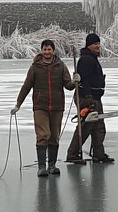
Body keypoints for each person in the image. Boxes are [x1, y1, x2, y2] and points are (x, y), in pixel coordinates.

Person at [11, 39, 74, 176]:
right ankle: (41, 167)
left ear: (53, 51)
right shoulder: (35, 67)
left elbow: (68, 85)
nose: (47, 52)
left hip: (57, 107)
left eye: (49, 49)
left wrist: (75, 82)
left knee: (54, 136)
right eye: (44, 49)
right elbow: (26, 86)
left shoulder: (60, 66)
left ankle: (52, 166)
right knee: (43, 135)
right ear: (41, 51)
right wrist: (18, 104)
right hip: (40, 106)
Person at [64, 31, 113, 166]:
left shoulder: (92, 58)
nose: (98, 46)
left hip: (95, 97)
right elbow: (84, 80)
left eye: (98, 43)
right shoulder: (87, 60)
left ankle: (98, 153)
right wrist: (88, 98)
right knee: (86, 126)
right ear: (89, 45)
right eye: (95, 44)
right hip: (87, 97)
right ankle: (72, 153)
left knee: (98, 126)